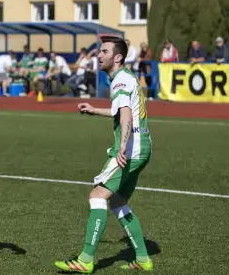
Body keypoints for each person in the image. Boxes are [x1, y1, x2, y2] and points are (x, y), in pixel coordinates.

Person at [54, 36, 154, 273]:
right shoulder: (126, 78)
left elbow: (126, 114)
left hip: (131, 149)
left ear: (118, 57)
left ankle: (86, 260)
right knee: (118, 202)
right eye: (99, 51)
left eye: (104, 51)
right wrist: (94, 110)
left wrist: (122, 147)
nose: (99, 55)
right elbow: (119, 111)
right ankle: (143, 258)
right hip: (143, 147)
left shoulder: (120, 80)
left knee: (97, 195)